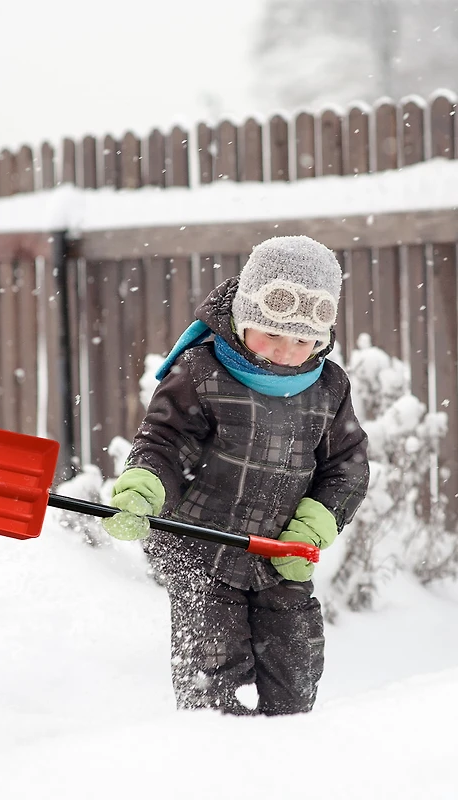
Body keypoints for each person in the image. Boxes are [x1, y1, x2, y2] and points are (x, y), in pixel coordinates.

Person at [102, 235, 369, 716]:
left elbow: (346, 466)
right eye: (270, 334)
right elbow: (164, 444)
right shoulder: (201, 373)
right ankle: (216, 754)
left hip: (279, 555)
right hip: (201, 549)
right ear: (243, 318)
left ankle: (289, 758)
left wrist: (313, 524)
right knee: (214, 667)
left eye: (303, 340)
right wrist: (143, 490)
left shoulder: (329, 387)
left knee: (295, 667)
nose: (286, 352)